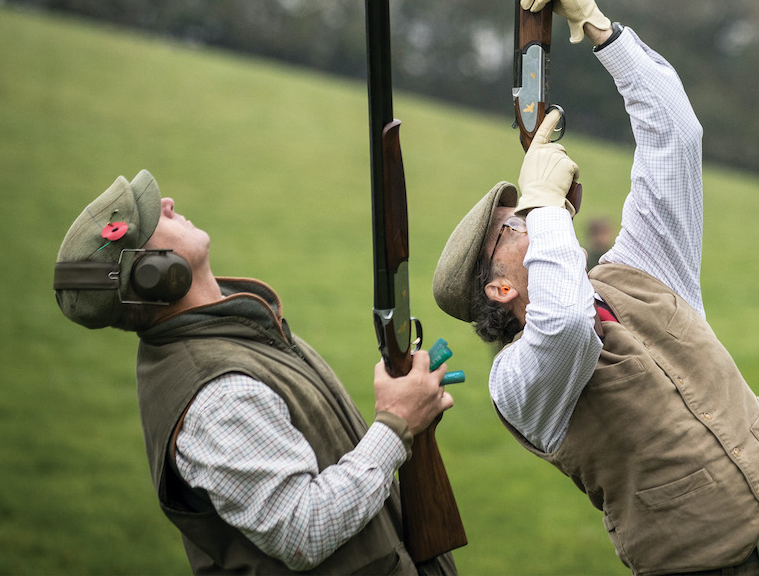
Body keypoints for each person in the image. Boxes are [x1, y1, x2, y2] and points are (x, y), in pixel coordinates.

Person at [432, 0, 759, 576]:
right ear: (497, 290)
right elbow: (566, 325)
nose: (532, 217)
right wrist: (547, 206)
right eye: (514, 226)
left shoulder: (637, 270)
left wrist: (598, 27)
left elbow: (676, 136)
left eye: (526, 211)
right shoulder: (517, 383)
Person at [53, 170, 458, 575]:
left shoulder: (235, 329)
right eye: (150, 220)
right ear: (151, 273)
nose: (167, 204)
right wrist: (396, 423)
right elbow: (304, 531)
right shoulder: (218, 395)